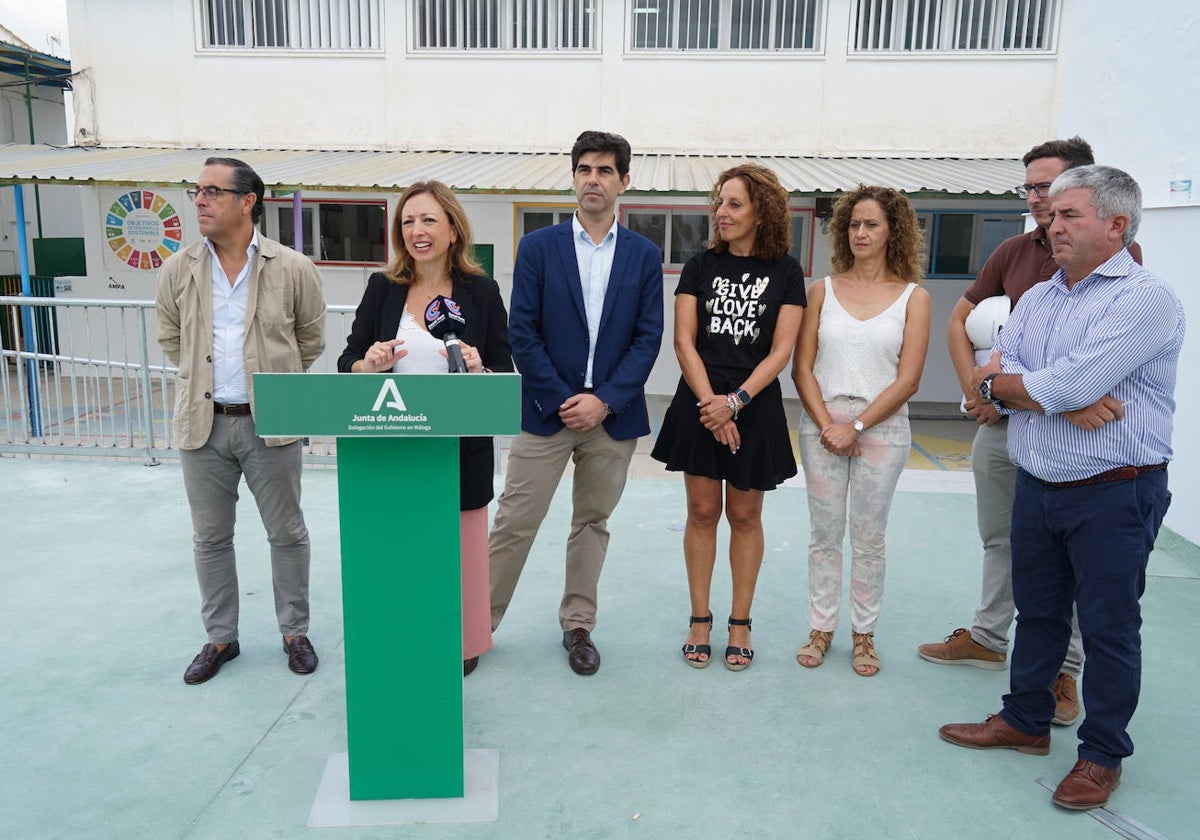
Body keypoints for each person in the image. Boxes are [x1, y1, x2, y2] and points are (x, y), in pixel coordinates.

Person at [939, 165, 1183, 812]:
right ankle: (1024, 719)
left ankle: (1101, 755)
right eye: (1051, 215)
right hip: (1039, 484)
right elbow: (1000, 369)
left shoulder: (1145, 299)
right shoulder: (1044, 295)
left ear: (1116, 225)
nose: (1052, 224)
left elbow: (1049, 383)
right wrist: (1047, 394)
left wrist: (1040, 390)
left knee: (1107, 628)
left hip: (1114, 492)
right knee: (1039, 612)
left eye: (1069, 215)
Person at [918, 138, 1143, 726]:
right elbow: (965, 323)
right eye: (1033, 189)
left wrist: (1030, 389)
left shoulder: (1126, 270)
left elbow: (1084, 373)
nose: (1040, 200)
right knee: (1004, 542)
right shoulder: (1017, 255)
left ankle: (1063, 674)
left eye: (1052, 190)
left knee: (1070, 570)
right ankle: (990, 640)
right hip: (1007, 429)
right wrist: (979, 389)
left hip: (1077, 447)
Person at [488, 130, 664, 676]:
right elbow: (523, 332)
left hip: (611, 422)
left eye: (605, 170)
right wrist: (567, 398)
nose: (593, 178)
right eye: (584, 169)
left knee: (592, 522)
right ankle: (475, 628)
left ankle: (578, 625)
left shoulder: (643, 255)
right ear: (573, 178)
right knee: (515, 521)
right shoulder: (539, 248)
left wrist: (604, 402)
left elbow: (647, 337)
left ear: (624, 182)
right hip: (546, 413)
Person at [157, 157, 326, 685]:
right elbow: (171, 338)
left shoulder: (293, 268)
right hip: (202, 425)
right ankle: (220, 639)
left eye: (212, 191)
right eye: (197, 191)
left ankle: (294, 632)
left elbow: (311, 339)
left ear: (247, 201)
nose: (200, 201)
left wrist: (274, 381)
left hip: (271, 422)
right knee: (210, 538)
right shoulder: (179, 268)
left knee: (287, 533)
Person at [337, 181, 512, 677]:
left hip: (459, 452)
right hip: (394, 447)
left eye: (429, 220)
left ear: (453, 229)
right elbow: (346, 359)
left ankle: (461, 640)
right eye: (409, 221)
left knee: (458, 554)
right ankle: (405, 630)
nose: (418, 230)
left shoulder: (482, 292)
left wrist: (479, 368)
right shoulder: (382, 288)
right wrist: (367, 364)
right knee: (404, 550)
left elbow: (504, 370)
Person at [651, 163, 806, 671]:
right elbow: (683, 342)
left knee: (744, 515)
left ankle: (740, 622)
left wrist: (735, 402)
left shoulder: (786, 271)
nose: (722, 212)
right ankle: (700, 618)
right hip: (699, 401)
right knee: (701, 513)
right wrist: (712, 407)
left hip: (752, 406)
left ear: (762, 211)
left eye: (734, 204)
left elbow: (781, 351)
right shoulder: (700, 266)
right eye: (720, 202)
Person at [791, 185, 930, 676]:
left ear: (893, 231)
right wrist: (830, 424)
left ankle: (864, 635)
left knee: (869, 538)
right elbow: (802, 367)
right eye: (854, 224)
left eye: (872, 224)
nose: (860, 233)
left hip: (882, 429)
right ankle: (821, 627)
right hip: (823, 425)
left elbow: (908, 378)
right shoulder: (821, 290)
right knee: (824, 535)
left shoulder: (914, 298)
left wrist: (858, 425)